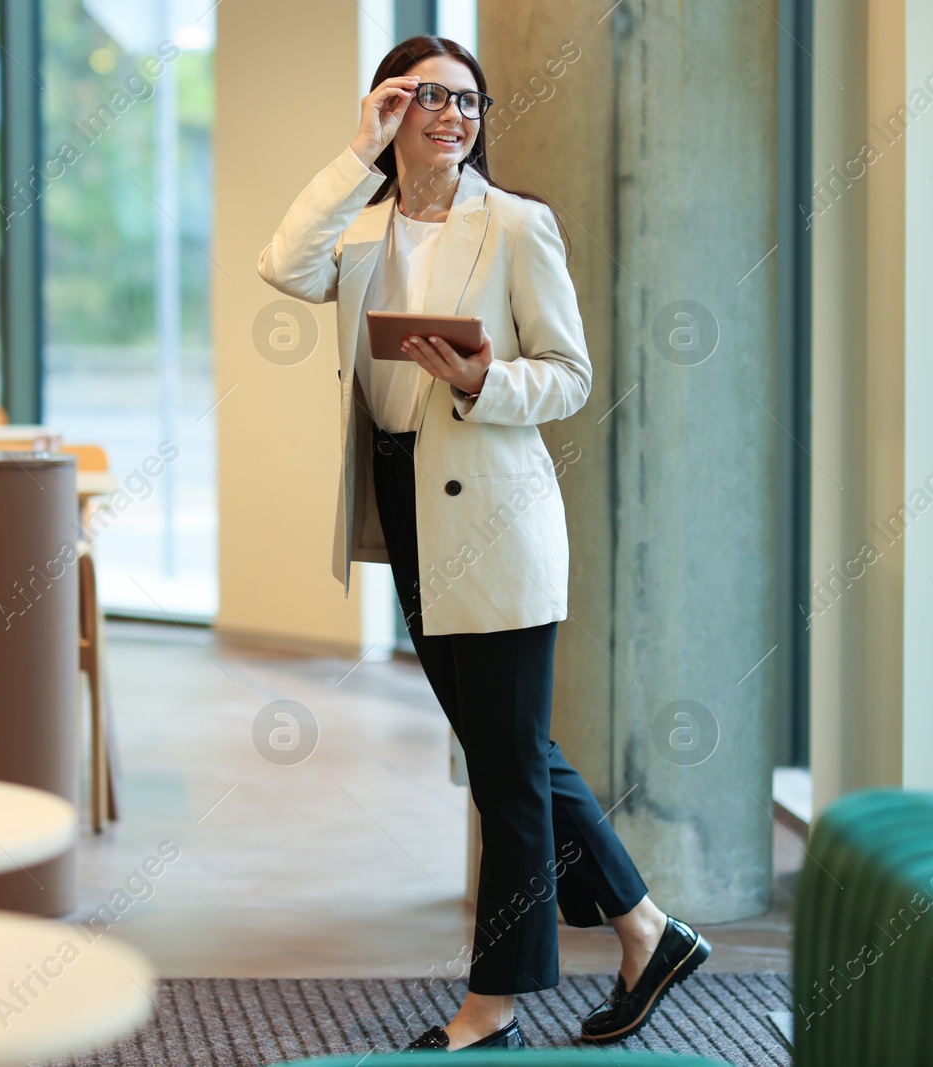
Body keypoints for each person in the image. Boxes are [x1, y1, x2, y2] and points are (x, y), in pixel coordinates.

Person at [257, 35, 709, 1052]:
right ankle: (647, 928)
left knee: (505, 773)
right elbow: (281, 263)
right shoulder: (364, 230)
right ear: (390, 111)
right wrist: (353, 153)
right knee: (511, 751)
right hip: (406, 501)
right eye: (428, 99)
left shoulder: (516, 226)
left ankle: (493, 1004)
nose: (454, 116)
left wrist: (480, 381)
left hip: (493, 514)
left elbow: (571, 373)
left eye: (469, 100)